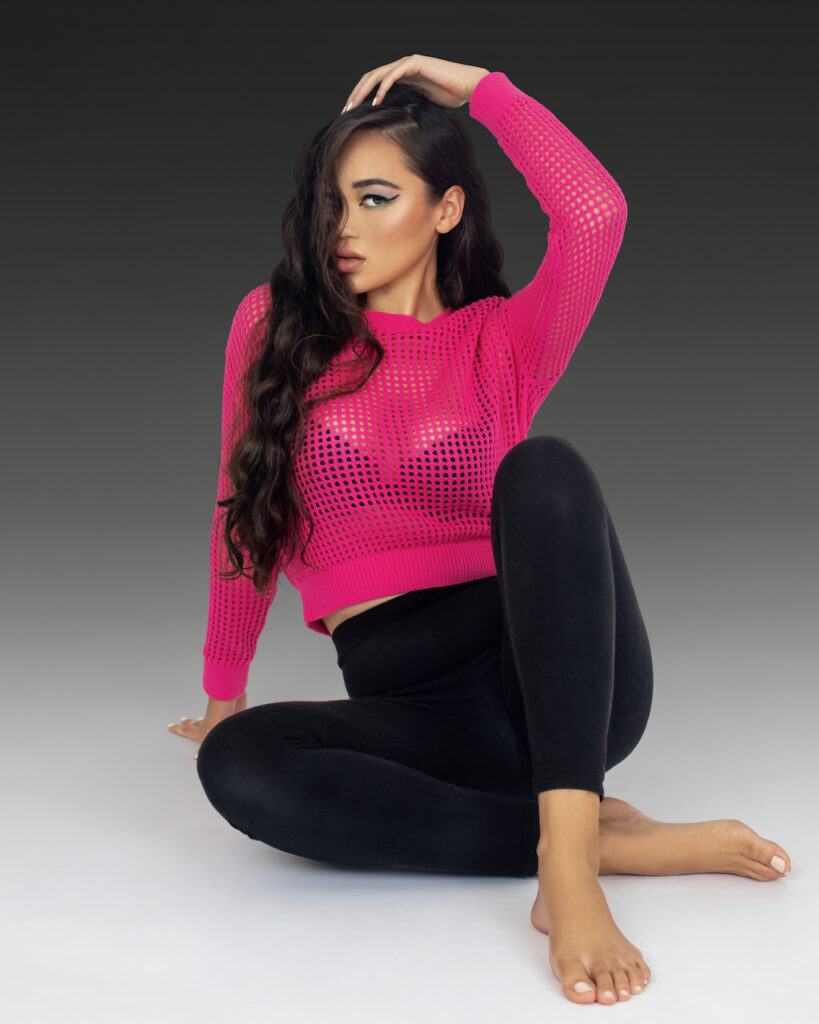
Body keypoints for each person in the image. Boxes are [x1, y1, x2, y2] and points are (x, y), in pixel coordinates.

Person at [168, 54, 792, 1007]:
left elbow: (595, 215)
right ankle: (596, 838)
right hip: (412, 708)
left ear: (446, 209)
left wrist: (481, 90)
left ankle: (567, 878)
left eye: (376, 198)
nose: (343, 228)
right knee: (240, 765)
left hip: (555, 684)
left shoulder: (501, 340)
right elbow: (239, 510)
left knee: (546, 468)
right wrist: (224, 694)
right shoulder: (273, 329)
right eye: (331, 203)